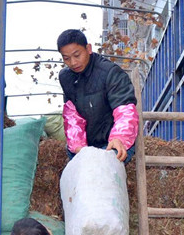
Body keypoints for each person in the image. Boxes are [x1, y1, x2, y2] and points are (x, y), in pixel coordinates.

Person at [57, 29, 139, 164]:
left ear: (88, 49)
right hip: (86, 146)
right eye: (66, 58)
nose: (73, 62)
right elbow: (72, 115)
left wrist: (119, 138)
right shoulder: (66, 77)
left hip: (113, 143)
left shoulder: (111, 73)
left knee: (103, 169)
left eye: (77, 55)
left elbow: (125, 111)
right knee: (81, 173)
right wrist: (79, 147)